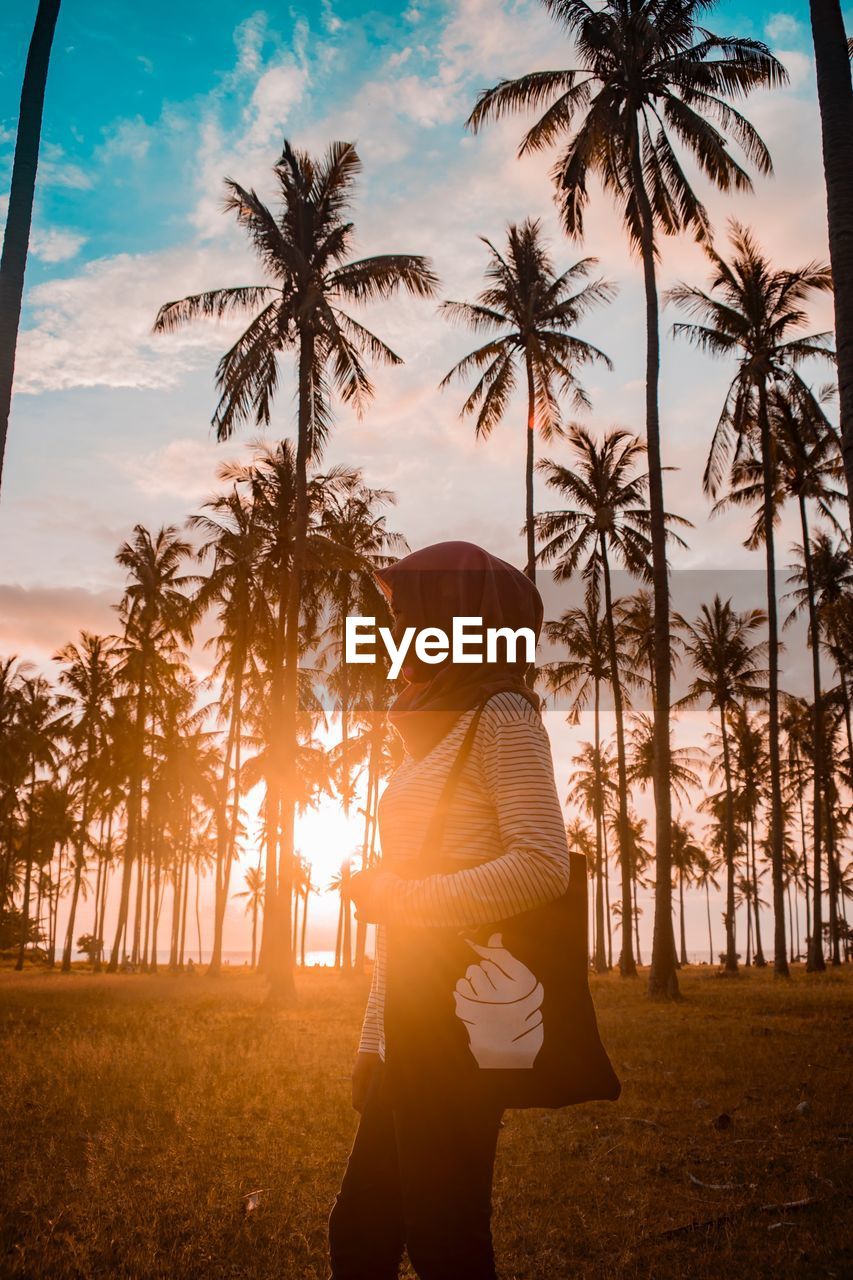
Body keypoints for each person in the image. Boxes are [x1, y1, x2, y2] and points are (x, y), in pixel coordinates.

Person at [327, 541, 571, 1280]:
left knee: (444, 1235)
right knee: (363, 1231)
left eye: (407, 612)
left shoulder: (500, 715)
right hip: (407, 1014)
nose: (396, 629)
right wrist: (376, 1034)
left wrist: (398, 899)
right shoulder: (431, 722)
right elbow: (407, 897)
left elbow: (542, 864)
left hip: (455, 1019)